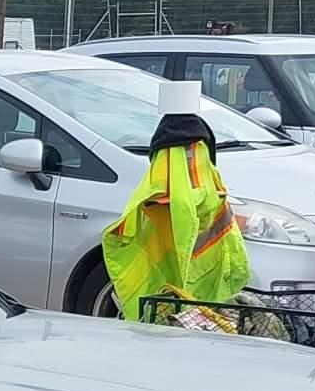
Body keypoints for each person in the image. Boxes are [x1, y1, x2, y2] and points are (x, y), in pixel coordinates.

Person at [100, 79, 266, 332]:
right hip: (205, 265)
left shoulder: (171, 148)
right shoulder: (197, 148)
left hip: (179, 257)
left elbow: (162, 187)